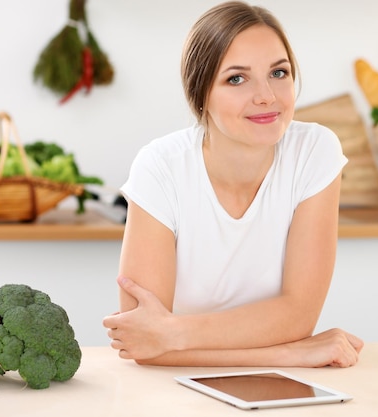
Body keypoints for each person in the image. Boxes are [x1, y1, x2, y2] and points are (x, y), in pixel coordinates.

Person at [102, 1, 363, 368]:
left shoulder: (314, 152)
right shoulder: (160, 167)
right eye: (236, 78)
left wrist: (174, 333)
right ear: (201, 94)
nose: (267, 96)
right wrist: (290, 353)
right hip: (169, 393)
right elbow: (142, 342)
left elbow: (298, 315)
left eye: (279, 72)